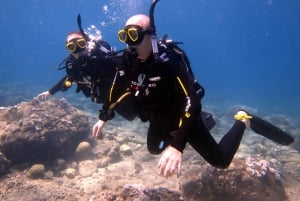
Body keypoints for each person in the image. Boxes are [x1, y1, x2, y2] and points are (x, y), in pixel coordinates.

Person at [92, 13, 294, 178]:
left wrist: (178, 146)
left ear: (151, 36)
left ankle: (244, 119)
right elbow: (115, 88)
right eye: (124, 35)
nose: (128, 43)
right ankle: (191, 130)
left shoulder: (168, 61)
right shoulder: (127, 60)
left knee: (221, 161)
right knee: (155, 149)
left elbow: (192, 100)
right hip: (160, 115)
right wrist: (104, 116)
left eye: (133, 35)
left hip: (185, 113)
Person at [37, 31, 137, 121]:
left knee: (139, 113)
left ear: (87, 43)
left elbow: (127, 67)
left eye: (80, 44)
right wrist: (50, 92)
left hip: (125, 95)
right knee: (131, 117)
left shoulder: (102, 58)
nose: (78, 50)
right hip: (108, 101)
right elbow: (70, 78)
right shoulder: (72, 66)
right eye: (72, 47)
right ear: (69, 50)